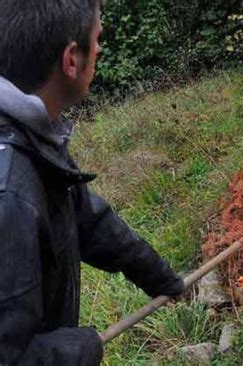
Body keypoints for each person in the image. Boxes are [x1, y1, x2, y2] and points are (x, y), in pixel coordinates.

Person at [0, 1, 185, 364]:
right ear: (71, 59)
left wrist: (161, 277)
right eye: (97, 39)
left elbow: (88, 220)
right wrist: (75, 350)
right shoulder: (8, 196)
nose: (100, 49)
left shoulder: (31, 132)